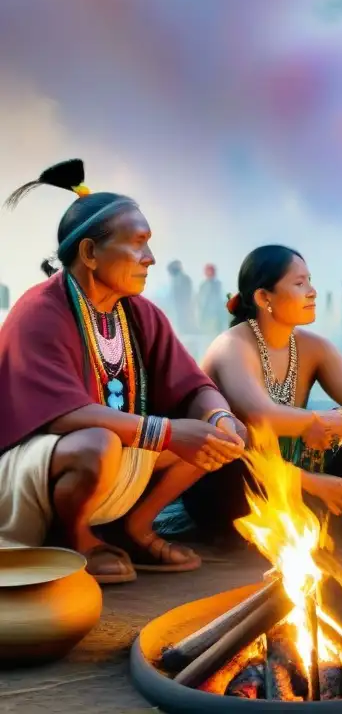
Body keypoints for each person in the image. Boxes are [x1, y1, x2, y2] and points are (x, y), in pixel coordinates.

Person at [0, 159, 247, 583]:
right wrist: (166, 433)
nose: (150, 258)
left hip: (110, 452)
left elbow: (192, 385)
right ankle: (74, 539)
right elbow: (61, 413)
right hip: (32, 466)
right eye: (137, 243)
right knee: (99, 444)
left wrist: (220, 418)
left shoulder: (139, 314)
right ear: (90, 253)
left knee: (218, 435)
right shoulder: (39, 311)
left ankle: (133, 527)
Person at [164, 246, 342, 539]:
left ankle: (320, 503)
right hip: (235, 484)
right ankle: (308, 496)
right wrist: (315, 429)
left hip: (287, 472)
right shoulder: (232, 346)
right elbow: (260, 417)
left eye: (310, 280)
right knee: (238, 440)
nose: (312, 292)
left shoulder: (312, 346)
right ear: (263, 297)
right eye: (299, 283)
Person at [196, 263, 227, 337]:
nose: (210, 273)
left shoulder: (217, 284)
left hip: (216, 314)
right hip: (206, 314)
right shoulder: (203, 285)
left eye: (211, 271)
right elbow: (201, 300)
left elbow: (220, 299)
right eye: (208, 271)